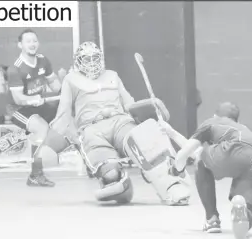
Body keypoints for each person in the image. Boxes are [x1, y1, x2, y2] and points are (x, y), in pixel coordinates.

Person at [55, 41, 192, 205]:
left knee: (147, 145)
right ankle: (120, 186)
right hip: (91, 129)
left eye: (95, 58)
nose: (92, 62)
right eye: (87, 59)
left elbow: (129, 105)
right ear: (78, 61)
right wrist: (75, 138)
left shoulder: (112, 75)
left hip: (120, 121)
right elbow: (63, 114)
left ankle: (172, 187)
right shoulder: (71, 80)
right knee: (110, 175)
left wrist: (150, 103)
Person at [161, 102, 252, 235]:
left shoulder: (211, 123)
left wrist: (177, 169)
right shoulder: (241, 128)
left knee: (201, 160)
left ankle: (212, 219)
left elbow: (186, 153)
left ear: (215, 115)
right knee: (246, 203)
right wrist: (171, 132)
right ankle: (244, 215)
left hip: (235, 148)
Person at [6, 29, 70, 187]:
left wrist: (65, 84)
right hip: (19, 110)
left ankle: (90, 163)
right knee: (41, 128)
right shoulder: (15, 69)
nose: (32, 44)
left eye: (34, 41)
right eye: (28, 41)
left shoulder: (43, 60)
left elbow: (55, 85)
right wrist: (31, 100)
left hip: (40, 104)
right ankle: (35, 175)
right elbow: (18, 99)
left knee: (68, 116)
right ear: (20, 45)